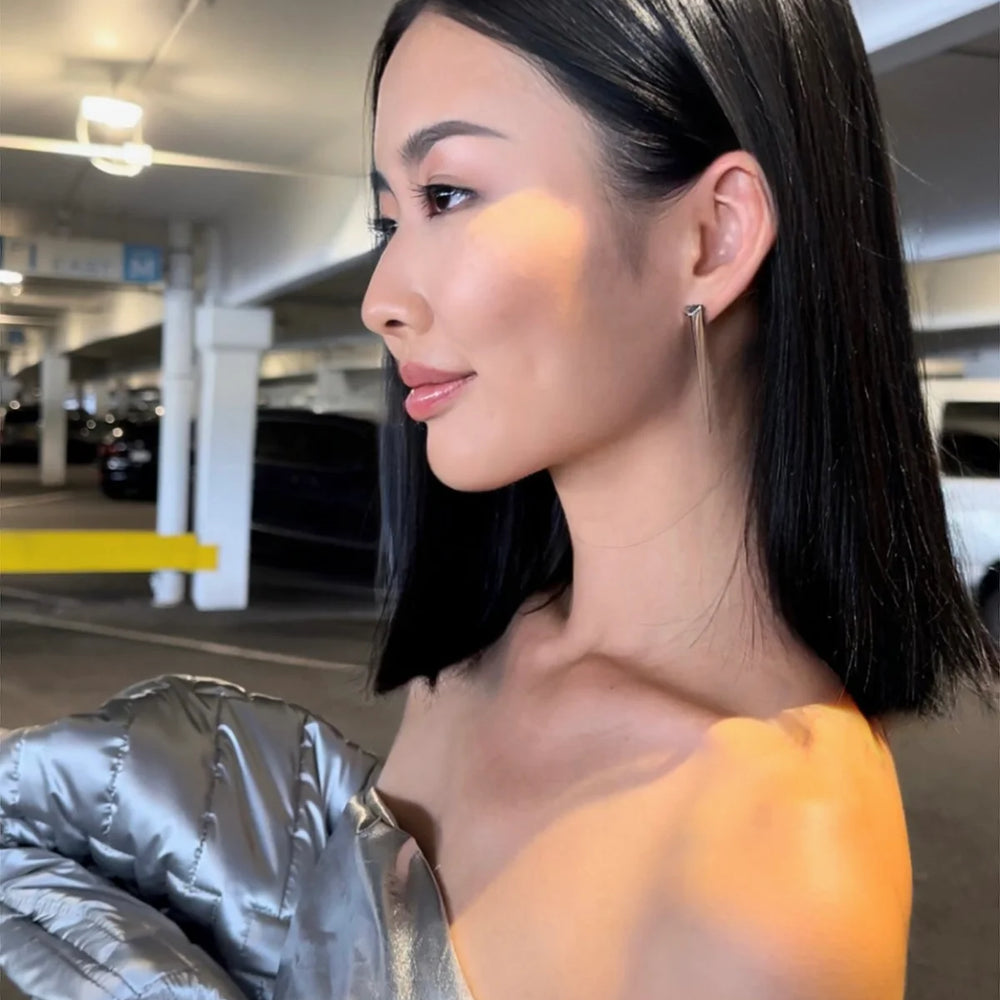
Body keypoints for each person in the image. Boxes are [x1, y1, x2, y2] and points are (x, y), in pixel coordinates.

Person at [1, 2, 996, 999]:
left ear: (712, 236)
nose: (379, 297)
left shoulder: (768, 863)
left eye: (447, 194)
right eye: (389, 219)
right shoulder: (485, 655)